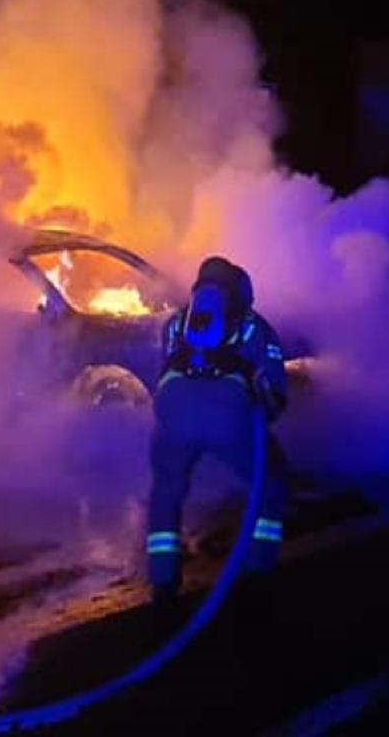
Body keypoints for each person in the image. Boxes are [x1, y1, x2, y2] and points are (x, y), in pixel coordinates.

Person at [145, 256, 290, 602]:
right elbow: (275, 392)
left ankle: (163, 580)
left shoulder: (176, 322)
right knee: (271, 481)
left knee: (166, 490)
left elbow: (163, 371)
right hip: (227, 411)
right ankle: (258, 568)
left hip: (172, 408)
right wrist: (257, 423)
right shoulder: (255, 326)